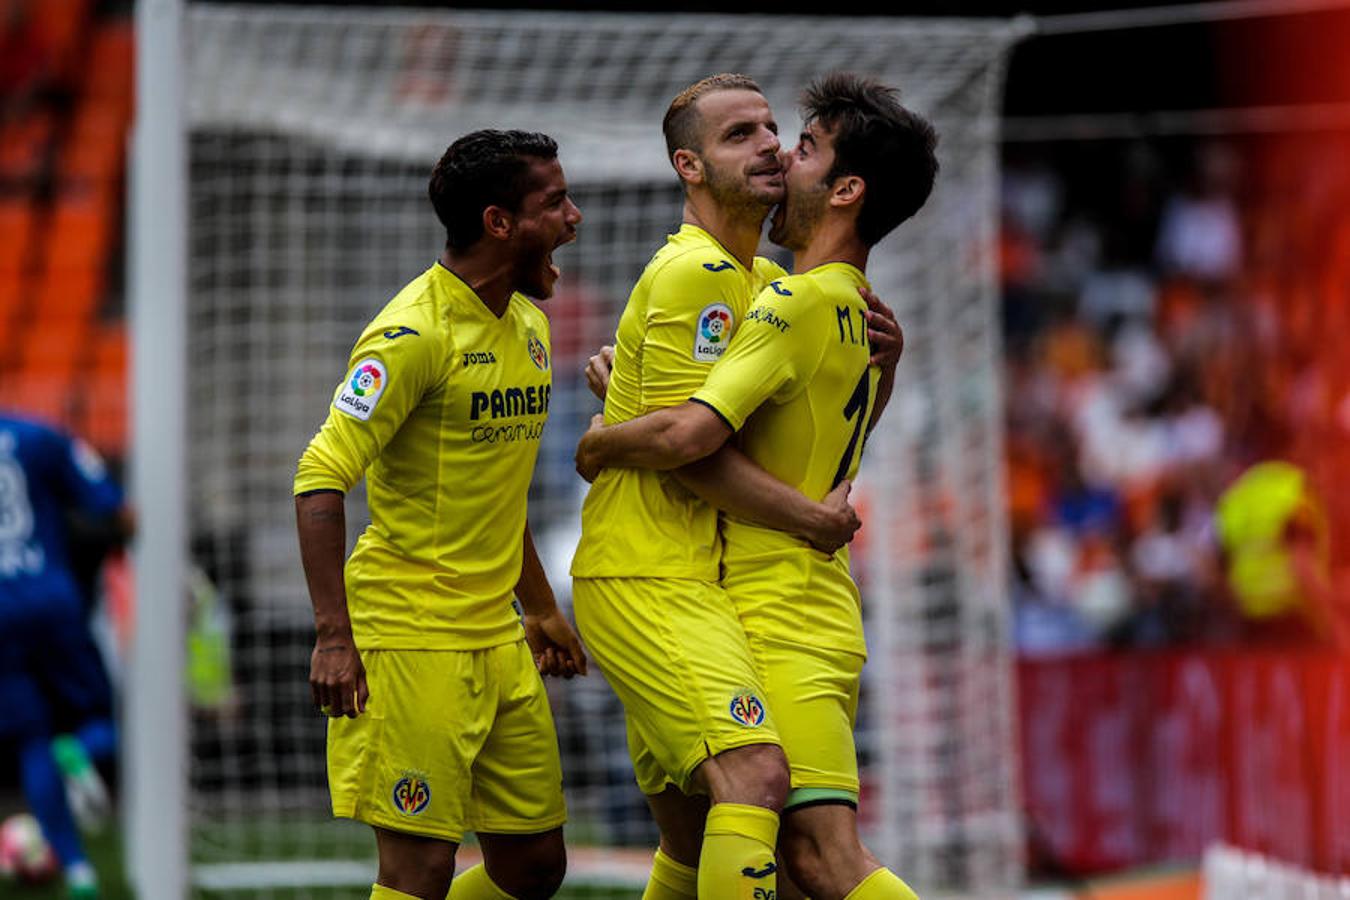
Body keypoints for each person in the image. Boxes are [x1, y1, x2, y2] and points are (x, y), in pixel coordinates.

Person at [575, 73, 938, 899]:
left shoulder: (785, 299)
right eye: (750, 135)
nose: (779, 149)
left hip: (776, 608)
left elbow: (690, 438)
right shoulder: (833, 302)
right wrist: (628, 397)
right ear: (688, 167)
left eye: (796, 141)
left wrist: (604, 440)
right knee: (710, 833)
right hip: (735, 597)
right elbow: (797, 430)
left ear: (846, 189)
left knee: (812, 855)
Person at [294, 129, 588, 900]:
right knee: (418, 868)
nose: (574, 217)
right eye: (554, 202)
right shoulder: (409, 334)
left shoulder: (528, 325)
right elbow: (320, 477)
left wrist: (541, 607)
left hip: (496, 635)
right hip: (409, 637)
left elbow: (497, 491)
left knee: (533, 867)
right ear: (499, 223)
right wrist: (334, 635)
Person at [0, 413, 130, 899]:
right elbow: (110, 507)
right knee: (102, 719)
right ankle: (80, 752)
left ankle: (78, 872)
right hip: (52, 600)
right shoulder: (39, 437)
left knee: (31, 740)